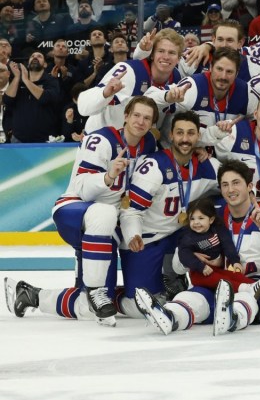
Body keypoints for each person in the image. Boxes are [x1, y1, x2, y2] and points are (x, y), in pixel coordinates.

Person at [3, 96, 160, 325]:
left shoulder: (148, 145)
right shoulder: (102, 140)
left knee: (88, 309)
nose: (140, 121)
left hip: (106, 225)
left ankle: (32, 295)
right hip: (74, 210)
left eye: (147, 118)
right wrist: (108, 176)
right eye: (136, 115)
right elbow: (82, 188)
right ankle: (97, 290)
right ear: (125, 116)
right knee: (103, 213)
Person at [134, 160, 260, 336]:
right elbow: (178, 266)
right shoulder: (208, 217)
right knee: (190, 298)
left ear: (249, 186)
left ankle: (232, 316)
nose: (231, 190)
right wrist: (191, 259)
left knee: (245, 300)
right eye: (225, 185)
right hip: (215, 281)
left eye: (236, 183)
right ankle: (170, 317)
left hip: (256, 284)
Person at [119, 111, 222, 316]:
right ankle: (113, 295)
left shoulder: (207, 165)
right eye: (180, 133)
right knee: (141, 307)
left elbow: (234, 187)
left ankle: (180, 277)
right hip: (148, 238)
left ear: (198, 137)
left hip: (179, 235)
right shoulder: (154, 165)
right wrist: (133, 235)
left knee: (224, 209)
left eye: (191, 133)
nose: (185, 139)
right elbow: (131, 209)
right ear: (171, 136)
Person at [78, 28, 183, 135]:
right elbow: (84, 106)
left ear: (179, 58)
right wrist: (104, 93)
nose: (166, 57)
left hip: (134, 143)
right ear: (152, 54)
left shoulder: (176, 78)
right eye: (161, 51)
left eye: (172, 53)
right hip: (101, 139)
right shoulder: (129, 71)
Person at [177, 198, 260, 295]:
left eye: (201, 218)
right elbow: (184, 255)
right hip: (200, 273)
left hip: (218, 269)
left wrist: (235, 261)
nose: (196, 222)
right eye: (192, 219)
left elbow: (227, 243)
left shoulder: (217, 228)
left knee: (234, 276)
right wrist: (200, 266)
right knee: (224, 281)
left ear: (211, 219)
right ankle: (247, 289)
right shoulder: (188, 237)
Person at [3, 52, 61, 143]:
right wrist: (18, 77)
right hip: (18, 140)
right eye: (32, 56)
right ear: (28, 63)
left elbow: (45, 98)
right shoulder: (18, 81)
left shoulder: (51, 81)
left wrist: (26, 80)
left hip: (45, 140)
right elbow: (7, 100)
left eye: (39, 56)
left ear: (45, 64)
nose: (35, 57)